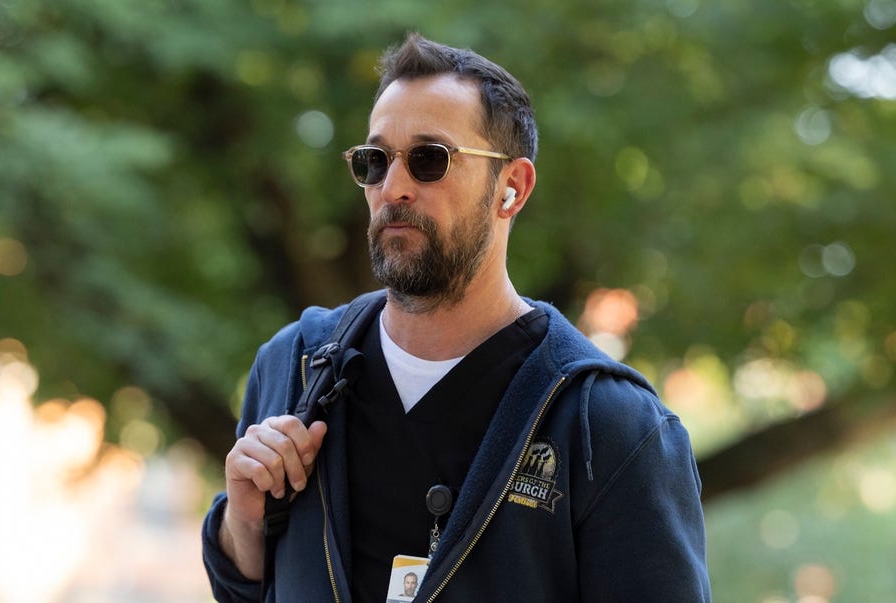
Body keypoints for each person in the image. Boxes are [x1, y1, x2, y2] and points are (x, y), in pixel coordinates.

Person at [202, 33, 711, 602]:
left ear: (512, 187)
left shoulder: (608, 426)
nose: (394, 188)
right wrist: (243, 524)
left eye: (429, 159)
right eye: (375, 161)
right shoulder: (293, 367)